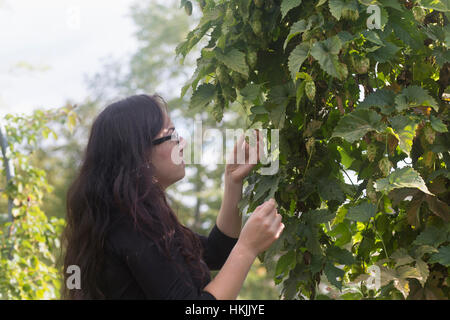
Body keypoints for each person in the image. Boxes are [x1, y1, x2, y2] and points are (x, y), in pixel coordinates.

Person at [61, 94, 284, 300]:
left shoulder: (136, 219)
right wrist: (247, 249)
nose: (183, 142)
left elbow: (216, 252)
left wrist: (232, 181)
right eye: (171, 134)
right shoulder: (129, 227)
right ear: (139, 153)